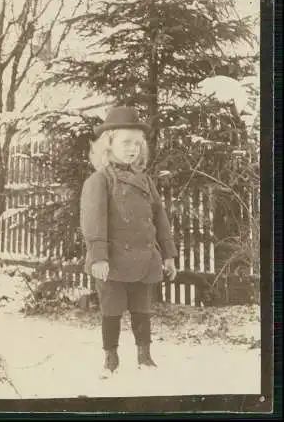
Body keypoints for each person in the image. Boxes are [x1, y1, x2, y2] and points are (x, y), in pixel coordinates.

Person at [80, 106, 178, 379]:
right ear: (108, 145)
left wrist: (168, 254)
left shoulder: (145, 180)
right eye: (126, 142)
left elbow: (160, 219)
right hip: (112, 261)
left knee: (142, 309)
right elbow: (93, 221)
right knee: (111, 311)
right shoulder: (100, 180)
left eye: (137, 143)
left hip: (145, 260)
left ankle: (145, 357)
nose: (132, 148)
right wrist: (98, 256)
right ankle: (110, 360)